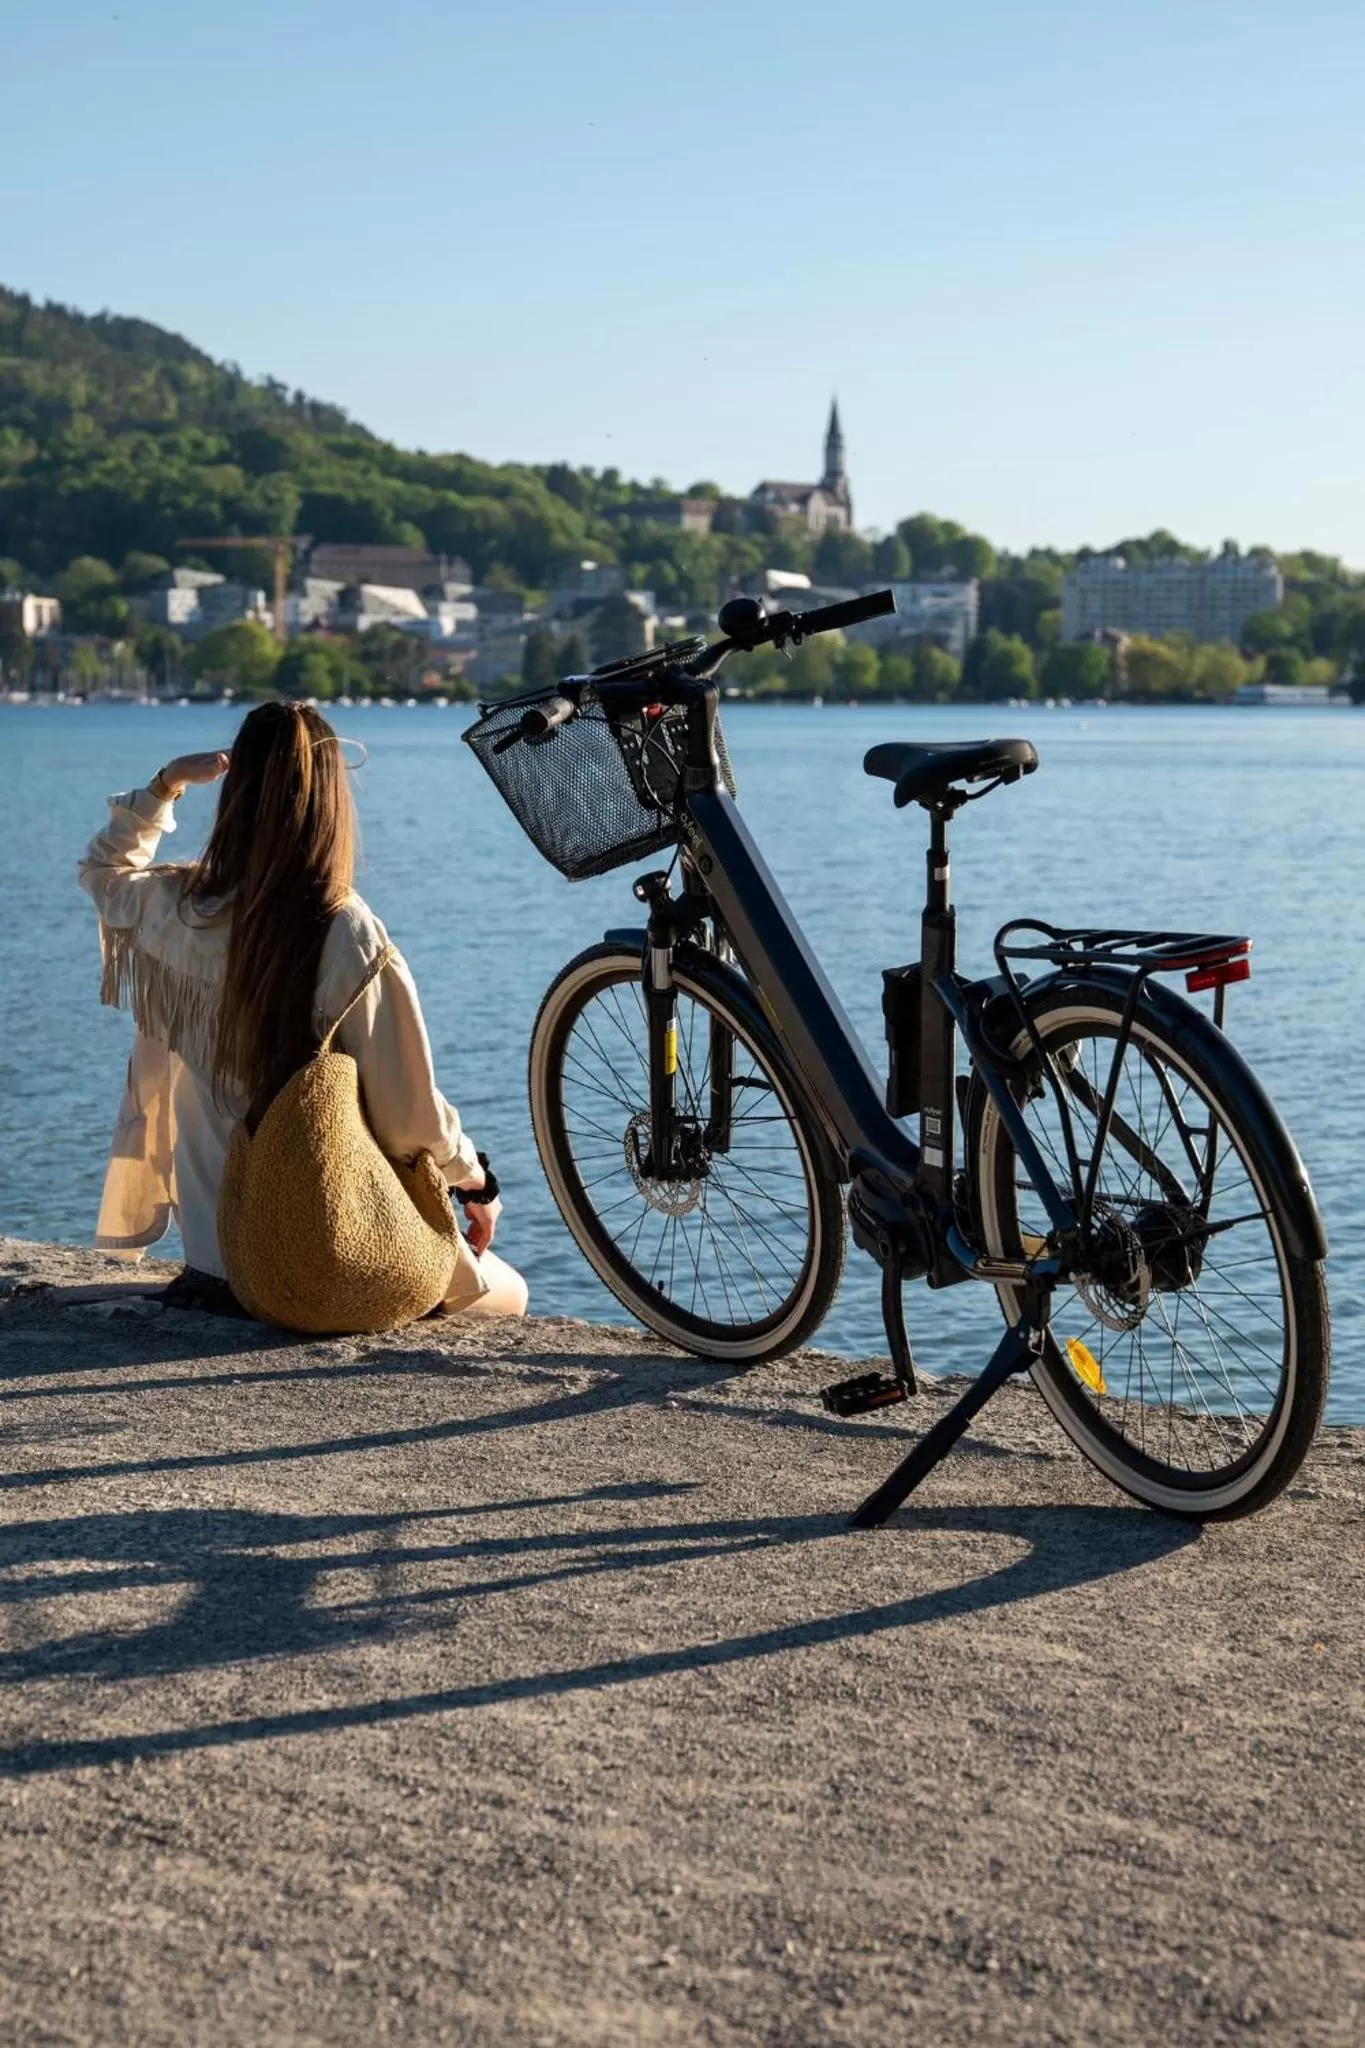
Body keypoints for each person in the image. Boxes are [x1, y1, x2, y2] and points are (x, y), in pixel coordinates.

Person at [78, 700, 527, 1320]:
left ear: (235, 797)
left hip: (214, 1267)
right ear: (331, 805)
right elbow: (410, 1119)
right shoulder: (345, 932)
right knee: (509, 1293)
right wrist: (476, 1179)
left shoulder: (180, 907)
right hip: (310, 1264)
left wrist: (165, 786)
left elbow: (104, 871)